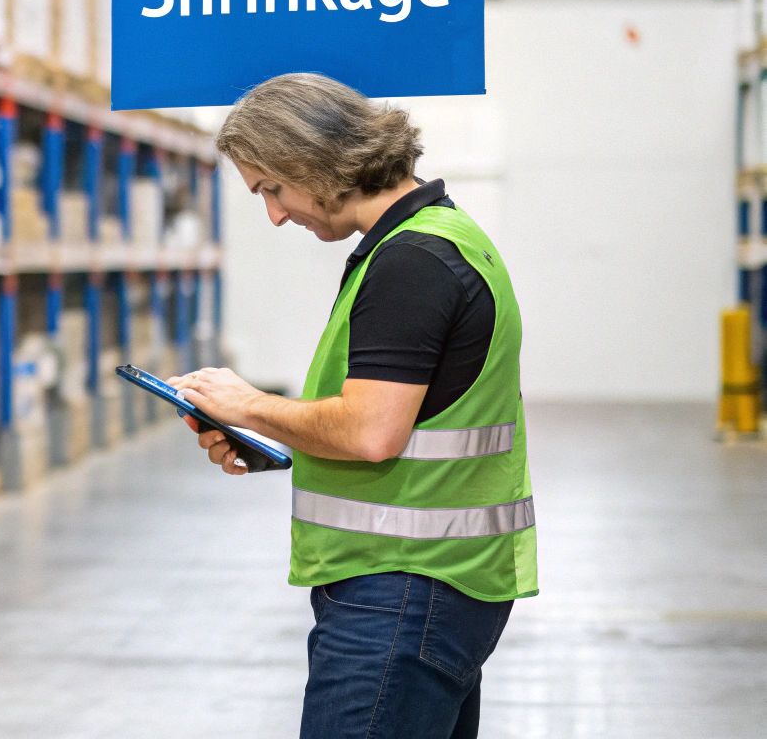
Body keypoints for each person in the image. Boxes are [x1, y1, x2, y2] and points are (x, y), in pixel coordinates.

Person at [166, 73, 537, 739]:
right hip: (430, 584)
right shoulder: (440, 237)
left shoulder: (412, 262)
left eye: (272, 189)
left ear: (310, 161)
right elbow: (409, 424)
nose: (276, 215)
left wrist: (251, 406)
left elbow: (370, 431)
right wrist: (279, 441)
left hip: (401, 591)